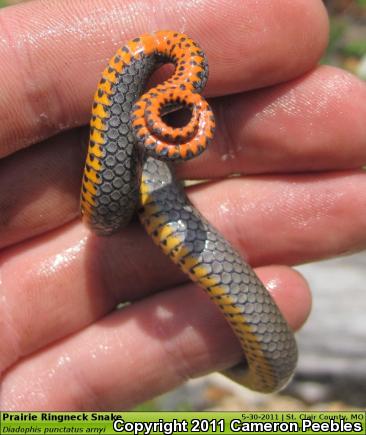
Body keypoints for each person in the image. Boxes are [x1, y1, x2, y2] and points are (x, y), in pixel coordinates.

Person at [0, 0, 365, 410]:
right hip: (132, 187)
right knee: (109, 210)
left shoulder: (165, 102)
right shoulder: (153, 103)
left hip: (148, 179)